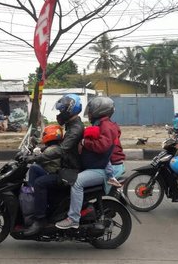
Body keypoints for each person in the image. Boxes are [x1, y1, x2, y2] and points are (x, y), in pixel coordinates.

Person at [55, 96, 125, 229]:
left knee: (77, 182)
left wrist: (84, 142)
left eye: (92, 110)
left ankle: (73, 219)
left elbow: (103, 146)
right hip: (103, 164)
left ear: (100, 110)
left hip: (108, 167)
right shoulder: (101, 124)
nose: (90, 113)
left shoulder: (107, 126)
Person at [23, 94, 84, 236]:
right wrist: (40, 149)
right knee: (35, 170)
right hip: (65, 167)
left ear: (69, 110)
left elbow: (62, 149)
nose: (59, 114)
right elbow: (58, 144)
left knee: (40, 183)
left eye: (61, 111)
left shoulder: (75, 129)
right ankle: (36, 205)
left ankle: (40, 220)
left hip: (70, 171)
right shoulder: (71, 126)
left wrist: (39, 157)